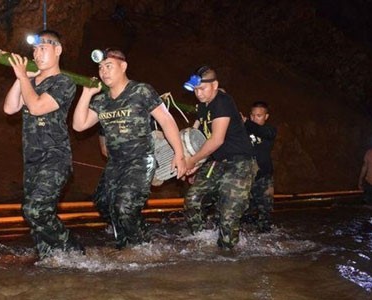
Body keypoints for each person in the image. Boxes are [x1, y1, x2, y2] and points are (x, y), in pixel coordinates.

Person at [72, 48, 186, 249]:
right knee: (103, 203)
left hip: (140, 160)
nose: (104, 72)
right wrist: (87, 94)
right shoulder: (102, 100)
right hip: (115, 163)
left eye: (109, 66)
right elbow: (79, 125)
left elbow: (167, 120)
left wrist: (179, 154)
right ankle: (126, 241)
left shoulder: (141, 91)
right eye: (100, 68)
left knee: (124, 207)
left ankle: (142, 248)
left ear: (123, 66)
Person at [3, 29, 83, 260]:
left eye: (43, 48)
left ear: (57, 51)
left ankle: (74, 250)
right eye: (35, 49)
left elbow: (37, 106)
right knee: (34, 222)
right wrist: (25, 78)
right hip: (32, 160)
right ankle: (52, 265)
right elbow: (9, 108)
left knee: (35, 210)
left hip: (55, 158)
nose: (37, 54)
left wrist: (21, 78)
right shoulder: (29, 82)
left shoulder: (64, 82)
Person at [182, 65, 258, 250]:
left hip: (239, 162)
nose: (198, 94)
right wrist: (195, 164)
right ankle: (202, 241)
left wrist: (191, 161)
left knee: (228, 214)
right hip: (215, 162)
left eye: (202, 89)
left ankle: (227, 256)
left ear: (214, 85)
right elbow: (195, 135)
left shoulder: (222, 101)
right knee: (193, 199)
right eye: (196, 90)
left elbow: (216, 140)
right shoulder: (202, 106)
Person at [241, 101, 277, 232]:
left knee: (265, 213)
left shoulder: (269, 130)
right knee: (243, 214)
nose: (255, 118)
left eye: (259, 115)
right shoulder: (243, 129)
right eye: (253, 115)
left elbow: (263, 132)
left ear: (266, 116)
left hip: (264, 178)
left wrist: (246, 122)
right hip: (245, 177)